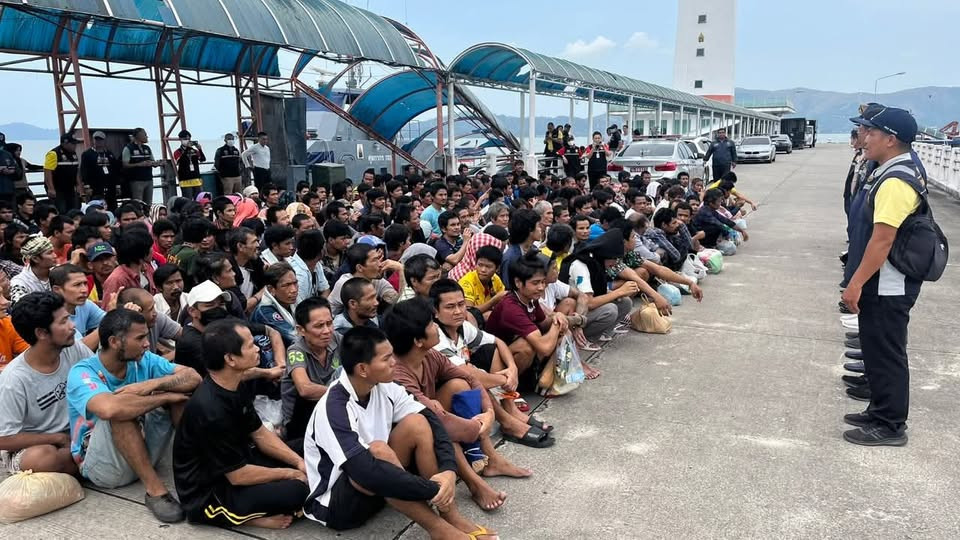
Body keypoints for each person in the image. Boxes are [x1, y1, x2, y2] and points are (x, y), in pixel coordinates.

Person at [303, 326, 496, 539]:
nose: (394, 362)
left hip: (382, 486)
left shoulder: (385, 385)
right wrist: (433, 489)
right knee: (379, 450)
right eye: (386, 359)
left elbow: (432, 420)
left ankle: (450, 515)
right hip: (339, 505)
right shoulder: (334, 407)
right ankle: (440, 530)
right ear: (363, 369)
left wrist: (448, 471)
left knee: (417, 423)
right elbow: (363, 471)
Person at [386, 298, 532, 511]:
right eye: (431, 324)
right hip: (409, 448)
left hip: (435, 422)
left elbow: (470, 378)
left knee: (459, 385)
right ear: (418, 340)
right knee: (440, 425)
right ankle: (475, 484)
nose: (436, 327)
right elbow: (436, 419)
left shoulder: (429, 355)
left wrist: (489, 413)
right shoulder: (397, 375)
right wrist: (478, 427)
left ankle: (490, 461)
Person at [67, 309, 201, 522]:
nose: (147, 344)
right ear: (114, 341)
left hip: (141, 455)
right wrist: (164, 396)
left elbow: (193, 377)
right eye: (140, 338)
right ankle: (155, 490)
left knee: (178, 397)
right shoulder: (82, 372)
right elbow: (109, 409)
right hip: (103, 468)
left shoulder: (143, 359)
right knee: (120, 411)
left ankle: (197, 468)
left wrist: (151, 385)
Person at [173, 319, 308, 530]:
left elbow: (260, 433)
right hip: (210, 492)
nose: (258, 348)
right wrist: (290, 473)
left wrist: (298, 462)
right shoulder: (210, 409)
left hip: (241, 461)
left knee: (305, 447)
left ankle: (260, 506)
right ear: (230, 359)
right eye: (250, 345)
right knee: (298, 491)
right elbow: (238, 476)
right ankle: (244, 517)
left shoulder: (234, 383)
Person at [841, 106, 924, 446]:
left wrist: (855, 283)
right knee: (876, 350)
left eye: (872, 133)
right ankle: (879, 410)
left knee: (887, 353)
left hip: (888, 283)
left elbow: (883, 239)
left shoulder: (895, 180)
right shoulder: (890, 170)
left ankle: (890, 425)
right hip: (881, 280)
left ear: (891, 139)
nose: (865, 138)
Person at [430, 279, 553, 447]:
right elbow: (467, 373)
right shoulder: (435, 336)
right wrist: (505, 379)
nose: (458, 311)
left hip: (465, 383)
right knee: (471, 379)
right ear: (435, 311)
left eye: (461, 304)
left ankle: (511, 410)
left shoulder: (462, 326)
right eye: (450, 307)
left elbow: (497, 341)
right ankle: (508, 423)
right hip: (442, 395)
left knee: (492, 350)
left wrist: (512, 369)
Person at [0, 292, 93, 475]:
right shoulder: (14, 379)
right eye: (63, 322)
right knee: (43, 458)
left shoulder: (74, 348)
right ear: (41, 333)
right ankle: (88, 461)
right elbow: (4, 439)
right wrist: (56, 438)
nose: (72, 326)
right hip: (37, 444)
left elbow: (98, 376)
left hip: (77, 432)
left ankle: (83, 460)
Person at [486, 253, 568, 389]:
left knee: (563, 333)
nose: (541, 287)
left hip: (512, 352)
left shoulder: (529, 298)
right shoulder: (511, 308)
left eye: (543, 282)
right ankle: (507, 387)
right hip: (495, 360)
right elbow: (545, 348)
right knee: (525, 346)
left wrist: (557, 316)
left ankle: (543, 378)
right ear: (518, 283)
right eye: (535, 283)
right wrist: (557, 324)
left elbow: (543, 323)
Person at [281, 297, 341, 445]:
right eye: (319, 326)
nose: (327, 331)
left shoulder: (336, 338)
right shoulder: (296, 351)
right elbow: (305, 389)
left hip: (331, 408)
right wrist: (346, 392)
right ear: (301, 330)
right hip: (302, 421)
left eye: (329, 323)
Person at [328, 243, 401, 315]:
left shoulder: (377, 280)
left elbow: (400, 304)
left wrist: (401, 270)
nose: (380, 264)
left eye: (379, 259)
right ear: (360, 268)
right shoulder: (346, 284)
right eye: (374, 260)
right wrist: (401, 270)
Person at [50, 264, 105, 350]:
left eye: (85, 284)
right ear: (57, 290)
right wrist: (109, 319)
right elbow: (78, 351)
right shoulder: (52, 316)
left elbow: (113, 323)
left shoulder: (85, 304)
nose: (84, 290)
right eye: (77, 285)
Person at [117, 287, 181, 357]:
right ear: (139, 312)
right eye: (150, 309)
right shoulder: (121, 333)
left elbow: (184, 335)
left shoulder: (156, 318)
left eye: (154, 307)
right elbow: (144, 361)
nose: (155, 313)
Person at [251, 262, 300, 347]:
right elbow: (294, 337)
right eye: (286, 285)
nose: (294, 290)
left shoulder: (293, 301)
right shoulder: (265, 311)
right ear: (271, 289)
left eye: (295, 283)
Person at [102, 227, 156, 300]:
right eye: (150, 247)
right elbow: (108, 305)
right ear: (141, 251)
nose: (153, 250)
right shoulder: (117, 279)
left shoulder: (147, 268)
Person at [458, 245, 506, 320]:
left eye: (488, 267)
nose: (483, 270)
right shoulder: (466, 282)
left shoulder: (495, 278)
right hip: (470, 320)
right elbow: (469, 313)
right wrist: (494, 300)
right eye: (480, 265)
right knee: (489, 315)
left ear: (497, 268)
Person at [499, 208, 541, 286]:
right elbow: (508, 287)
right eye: (538, 226)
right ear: (530, 229)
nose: (540, 230)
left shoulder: (534, 250)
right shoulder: (510, 258)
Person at [10, 234, 56, 304]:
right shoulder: (19, 283)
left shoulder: (58, 272)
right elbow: (22, 308)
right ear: (35, 258)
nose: (55, 256)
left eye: (53, 251)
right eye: (49, 253)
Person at [44, 134, 83, 213]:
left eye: (75, 143)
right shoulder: (53, 153)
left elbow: (76, 170)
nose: (75, 145)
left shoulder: (73, 154)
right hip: (58, 188)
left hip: (70, 188)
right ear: (65, 143)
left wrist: (79, 185)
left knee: (74, 209)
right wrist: (51, 188)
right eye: (72, 144)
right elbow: (48, 171)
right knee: (61, 210)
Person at [290, 229, 330, 306]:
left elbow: (326, 290)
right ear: (321, 251)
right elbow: (300, 308)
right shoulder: (298, 276)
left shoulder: (316, 264)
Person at [81, 131, 120, 209]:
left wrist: (117, 185)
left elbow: (115, 170)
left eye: (100, 139)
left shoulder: (109, 154)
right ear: (93, 140)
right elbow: (84, 171)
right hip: (95, 186)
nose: (98, 141)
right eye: (96, 139)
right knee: (96, 206)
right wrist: (87, 186)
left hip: (110, 186)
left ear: (104, 141)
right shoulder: (87, 154)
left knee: (112, 206)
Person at [122, 128, 161, 205]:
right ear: (138, 136)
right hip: (136, 180)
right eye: (145, 134)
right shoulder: (128, 148)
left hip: (149, 179)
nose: (147, 136)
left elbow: (152, 161)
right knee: (138, 204)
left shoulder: (147, 148)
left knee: (148, 203)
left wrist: (157, 163)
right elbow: (125, 165)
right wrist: (139, 164)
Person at [321, 220, 352, 285]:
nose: (347, 242)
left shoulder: (348, 252)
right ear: (331, 240)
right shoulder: (319, 255)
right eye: (343, 239)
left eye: (347, 238)